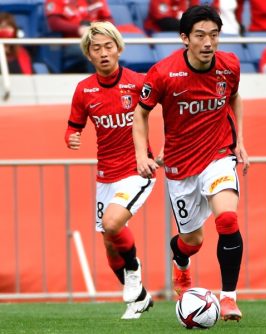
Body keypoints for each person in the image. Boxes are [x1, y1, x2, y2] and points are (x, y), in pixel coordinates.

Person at [132, 5, 250, 322]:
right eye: (200, 35)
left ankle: (228, 299)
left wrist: (239, 141)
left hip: (218, 155)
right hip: (180, 166)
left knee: (227, 220)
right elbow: (140, 113)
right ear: (185, 38)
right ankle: (181, 262)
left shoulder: (230, 66)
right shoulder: (163, 73)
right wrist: (141, 154)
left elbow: (234, 96)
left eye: (214, 35)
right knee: (192, 241)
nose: (208, 42)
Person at [65, 21, 155, 320]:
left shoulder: (137, 82)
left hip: (137, 169)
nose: (103, 53)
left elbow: (170, 107)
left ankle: (134, 271)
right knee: (109, 241)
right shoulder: (84, 89)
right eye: (96, 48)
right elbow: (73, 125)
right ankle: (139, 298)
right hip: (105, 175)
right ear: (88, 55)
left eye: (108, 46)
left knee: (113, 223)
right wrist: (71, 137)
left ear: (118, 48)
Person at [44, 0, 114, 72]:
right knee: (94, 52)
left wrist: (97, 28)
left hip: (96, 40)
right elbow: (54, 23)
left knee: (114, 51)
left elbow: (108, 20)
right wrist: (78, 29)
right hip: (70, 43)